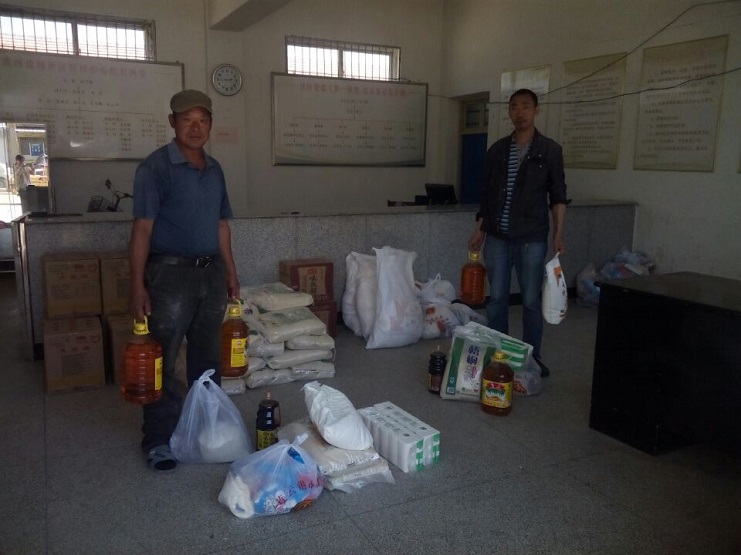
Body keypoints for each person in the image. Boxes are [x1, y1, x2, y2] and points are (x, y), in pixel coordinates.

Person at [128, 89, 240, 472]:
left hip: (211, 274)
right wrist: (137, 286)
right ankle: (159, 440)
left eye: (202, 120)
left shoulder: (215, 169)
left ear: (210, 124)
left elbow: (221, 225)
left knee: (207, 358)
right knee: (163, 358)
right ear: (172, 122)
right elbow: (142, 229)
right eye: (187, 119)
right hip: (169, 275)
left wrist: (231, 271)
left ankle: (207, 429)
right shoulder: (154, 168)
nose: (196, 127)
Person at [468, 88, 569, 378]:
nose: (519, 112)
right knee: (497, 299)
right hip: (498, 236)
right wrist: (480, 230)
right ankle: (498, 356)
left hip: (532, 237)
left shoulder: (550, 150)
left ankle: (532, 357)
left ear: (536, 110)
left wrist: (558, 234)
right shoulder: (497, 150)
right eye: (514, 107)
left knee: (531, 301)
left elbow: (558, 196)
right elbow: (487, 195)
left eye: (525, 106)